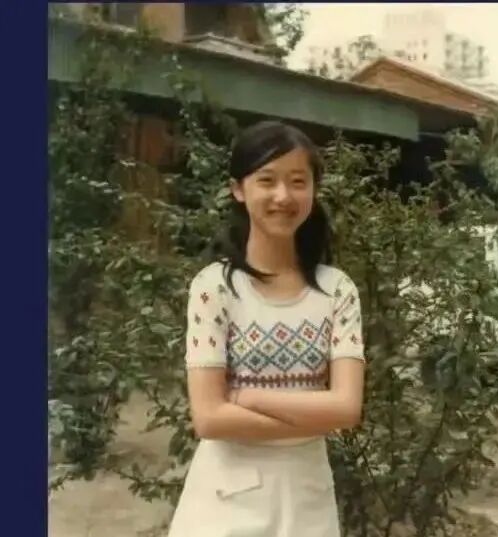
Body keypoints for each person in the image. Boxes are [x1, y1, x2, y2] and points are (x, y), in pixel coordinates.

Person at [167, 120, 366, 537]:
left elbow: (347, 409)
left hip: (308, 501)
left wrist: (247, 397)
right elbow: (209, 419)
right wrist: (316, 413)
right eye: (267, 180)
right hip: (225, 503)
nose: (283, 196)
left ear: (313, 190)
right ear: (238, 189)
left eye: (298, 181)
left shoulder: (337, 291)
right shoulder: (214, 288)